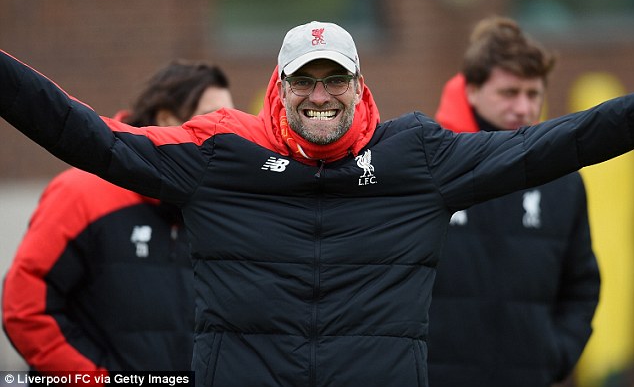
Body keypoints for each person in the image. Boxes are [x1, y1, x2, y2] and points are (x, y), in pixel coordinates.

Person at [1, 20, 634, 387]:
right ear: (279, 86)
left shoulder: (418, 158)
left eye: (335, 78)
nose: (320, 94)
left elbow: (559, 143)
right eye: (304, 79)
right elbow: (84, 136)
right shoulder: (221, 152)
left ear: (360, 87)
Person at [1, 60, 233, 372]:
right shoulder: (80, 193)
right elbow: (24, 309)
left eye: (230, 121)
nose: (225, 134)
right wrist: (96, 379)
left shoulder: (218, 208)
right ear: (166, 118)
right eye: (211, 120)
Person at [428, 16, 599, 387]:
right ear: (471, 90)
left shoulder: (563, 181)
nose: (523, 107)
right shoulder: (429, 168)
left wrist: (555, 354)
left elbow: (582, 284)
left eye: (533, 93)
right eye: (509, 93)